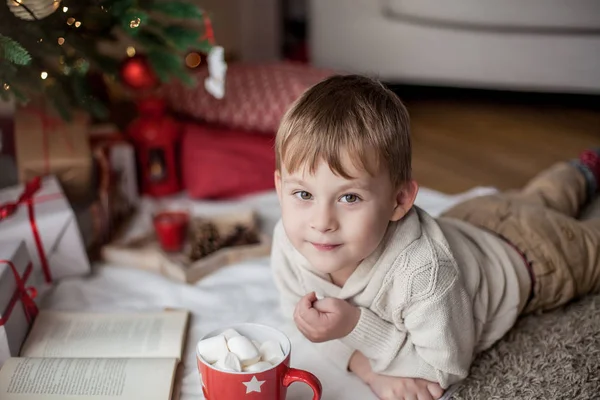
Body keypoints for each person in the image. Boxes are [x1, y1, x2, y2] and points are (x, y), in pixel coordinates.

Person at [269, 74, 600, 400]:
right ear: (279, 188)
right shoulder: (290, 239)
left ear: (399, 201)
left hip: (535, 256)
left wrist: (356, 327)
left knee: (572, 230)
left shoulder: (423, 271)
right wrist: (364, 367)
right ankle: (583, 170)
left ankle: (586, 171)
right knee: (540, 196)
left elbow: (446, 366)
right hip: (472, 218)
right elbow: (298, 316)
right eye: (302, 194)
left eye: (349, 198)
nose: (321, 222)